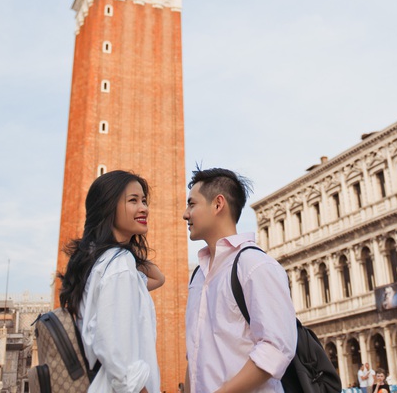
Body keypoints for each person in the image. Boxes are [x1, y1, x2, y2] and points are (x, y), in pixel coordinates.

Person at [184, 167, 297, 393]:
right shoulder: (198, 275)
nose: (185, 214)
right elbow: (195, 355)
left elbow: (276, 349)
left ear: (218, 204)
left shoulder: (255, 266)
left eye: (192, 204)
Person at [58, 170, 164, 393]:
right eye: (133, 200)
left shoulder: (102, 261)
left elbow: (157, 277)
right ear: (108, 207)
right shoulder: (118, 265)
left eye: (144, 200)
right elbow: (117, 355)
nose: (144, 208)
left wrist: (123, 244)